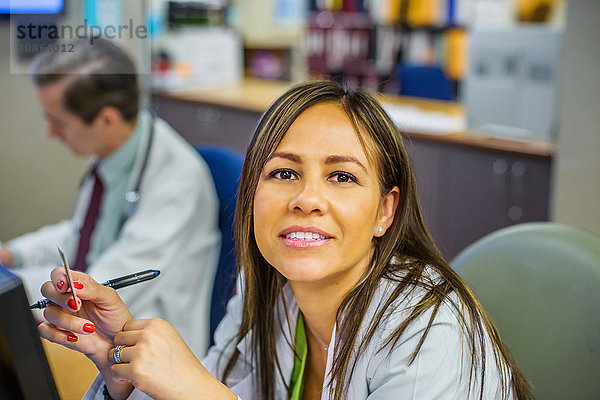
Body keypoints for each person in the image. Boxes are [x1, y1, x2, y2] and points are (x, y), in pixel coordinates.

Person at [38, 80, 533, 399]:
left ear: (386, 210)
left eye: (341, 177)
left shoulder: (426, 336)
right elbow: (210, 385)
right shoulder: (268, 290)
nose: (306, 199)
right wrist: (122, 370)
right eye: (282, 173)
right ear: (252, 193)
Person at [0, 38, 220, 357]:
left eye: (58, 122)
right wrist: (13, 255)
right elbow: (82, 233)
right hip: (99, 336)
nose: (51, 133)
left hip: (145, 357)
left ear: (107, 119)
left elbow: (99, 290)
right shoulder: (115, 151)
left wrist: (12, 286)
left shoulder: (177, 182)